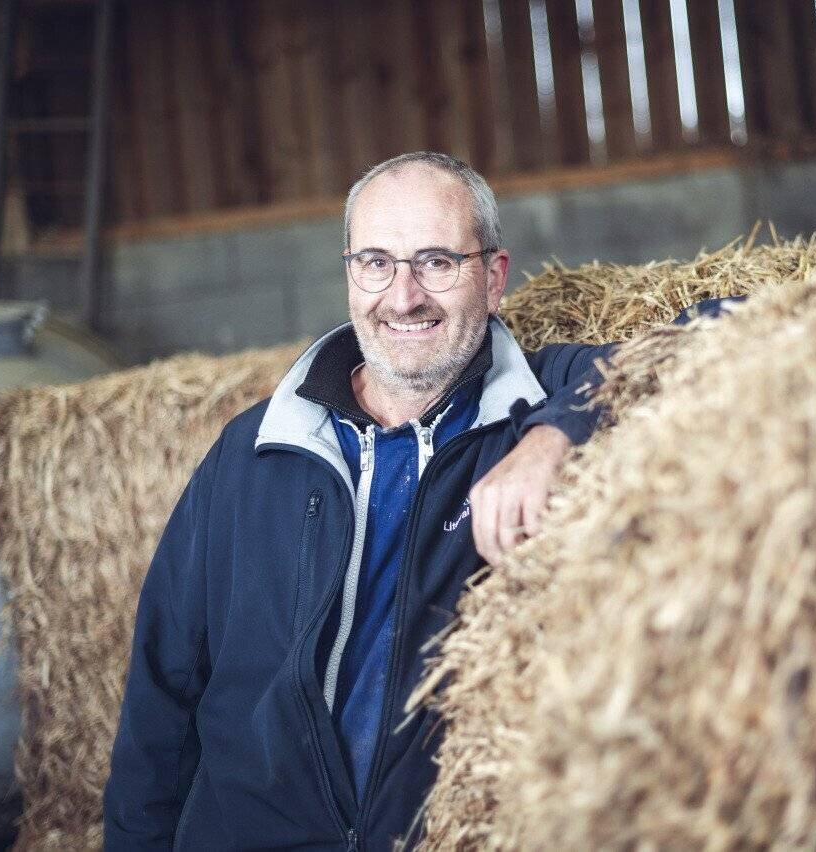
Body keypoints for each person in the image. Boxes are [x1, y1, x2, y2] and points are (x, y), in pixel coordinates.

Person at [102, 151, 620, 850]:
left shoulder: (531, 405)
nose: (402, 296)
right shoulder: (254, 451)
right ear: (350, 272)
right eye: (376, 262)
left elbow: (723, 331)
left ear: (494, 278)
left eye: (437, 262)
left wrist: (552, 438)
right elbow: (162, 690)